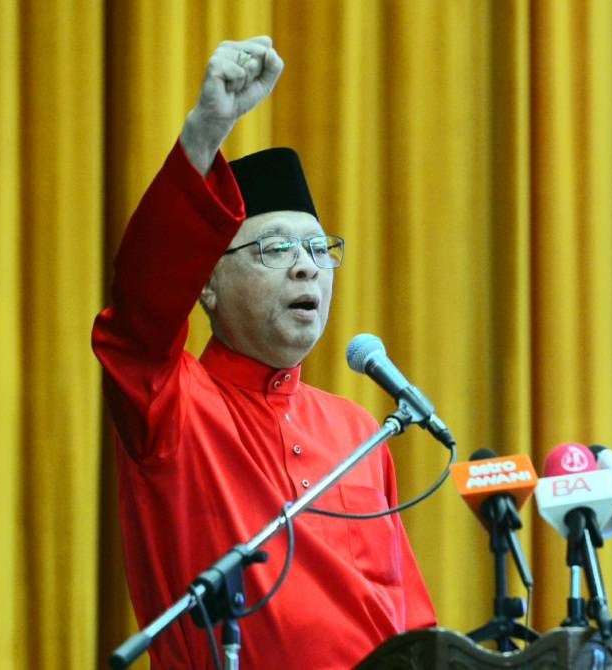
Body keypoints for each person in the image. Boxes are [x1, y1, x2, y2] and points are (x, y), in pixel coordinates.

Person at [92, 36, 436, 669]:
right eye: (275, 249)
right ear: (206, 285)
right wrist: (206, 132)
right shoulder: (172, 404)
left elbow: (412, 622)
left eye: (317, 250)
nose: (307, 268)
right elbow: (140, 306)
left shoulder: (361, 430)